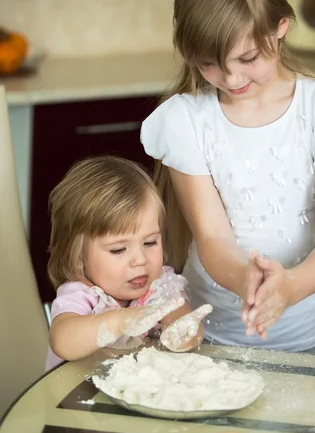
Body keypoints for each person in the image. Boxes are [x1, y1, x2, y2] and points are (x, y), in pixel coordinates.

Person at [140, 0, 315, 354]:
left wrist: (289, 287)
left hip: (298, 338)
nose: (230, 78)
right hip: (202, 334)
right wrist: (245, 279)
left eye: (247, 57)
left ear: (280, 26)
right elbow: (212, 237)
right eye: (209, 63)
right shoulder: (184, 120)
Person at [46, 155, 212, 371]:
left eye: (150, 242)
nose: (140, 260)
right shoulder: (82, 294)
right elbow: (62, 342)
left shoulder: (161, 286)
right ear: (78, 256)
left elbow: (185, 329)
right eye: (119, 249)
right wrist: (119, 322)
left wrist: (185, 332)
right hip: (75, 398)